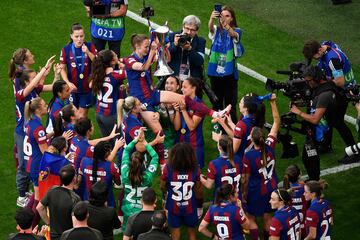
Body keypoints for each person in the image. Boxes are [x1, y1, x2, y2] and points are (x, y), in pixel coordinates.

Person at [290, 65, 356, 176]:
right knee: (309, 157)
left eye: (308, 80)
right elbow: (315, 102)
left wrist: (298, 112)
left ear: (316, 78)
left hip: (319, 129)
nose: (307, 83)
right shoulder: (325, 86)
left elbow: (315, 119)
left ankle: (314, 182)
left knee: (309, 157)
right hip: (325, 124)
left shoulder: (325, 95)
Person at [11, 55, 55, 207]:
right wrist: (43, 71)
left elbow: (47, 86)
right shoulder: (21, 95)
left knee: (29, 162)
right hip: (22, 133)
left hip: (28, 131)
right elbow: (34, 85)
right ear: (27, 81)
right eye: (34, 77)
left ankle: (31, 189)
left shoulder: (32, 93)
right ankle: (21, 196)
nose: (37, 78)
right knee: (24, 165)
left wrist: (51, 73)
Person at [303, 40, 356, 153]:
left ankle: (354, 150)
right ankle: (326, 145)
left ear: (319, 50)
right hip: (342, 88)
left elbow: (340, 81)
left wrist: (323, 81)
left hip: (343, 91)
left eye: (314, 57)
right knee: (329, 116)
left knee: (337, 121)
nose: (315, 59)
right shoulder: (326, 45)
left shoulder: (332, 59)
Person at [242, 94, 280, 240]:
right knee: (267, 217)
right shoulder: (270, 145)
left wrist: (244, 195)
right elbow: (276, 121)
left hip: (256, 190)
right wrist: (273, 103)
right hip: (272, 187)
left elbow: (245, 178)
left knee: (250, 218)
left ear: (252, 139)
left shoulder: (249, 155)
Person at [208, 5, 244, 122]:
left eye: (227, 16)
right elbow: (211, 29)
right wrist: (212, 19)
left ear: (232, 18)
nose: (223, 18)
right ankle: (218, 130)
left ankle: (233, 131)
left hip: (229, 74)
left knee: (230, 105)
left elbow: (233, 34)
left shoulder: (237, 31)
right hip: (215, 72)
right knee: (216, 103)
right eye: (221, 16)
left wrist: (226, 25)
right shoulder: (216, 30)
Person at [160, 143, 203, 240]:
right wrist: (199, 205)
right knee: (192, 233)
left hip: (173, 204)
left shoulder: (168, 168)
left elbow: (162, 185)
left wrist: (167, 191)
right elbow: (198, 189)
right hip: (190, 204)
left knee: (175, 234)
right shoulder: (195, 168)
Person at [120, 132, 159, 231]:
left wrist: (135, 139)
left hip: (128, 209)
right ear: (143, 163)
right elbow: (155, 157)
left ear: (130, 162)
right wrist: (144, 142)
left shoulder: (125, 173)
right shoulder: (148, 177)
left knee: (127, 232)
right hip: (143, 211)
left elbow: (126, 150)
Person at [60, 23, 97, 118]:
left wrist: (88, 52)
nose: (79, 39)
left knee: (82, 116)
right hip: (72, 89)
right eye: (76, 36)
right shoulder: (66, 49)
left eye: (81, 36)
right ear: (71, 36)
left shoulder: (90, 46)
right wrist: (68, 83)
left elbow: (97, 62)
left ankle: (82, 132)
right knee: (71, 115)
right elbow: (62, 69)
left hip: (86, 89)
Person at [37, 164, 81, 240]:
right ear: (74, 179)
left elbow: (39, 208)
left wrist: (48, 222)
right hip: (68, 237)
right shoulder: (75, 199)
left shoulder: (52, 190)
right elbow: (77, 224)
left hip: (53, 235)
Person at [91, 49, 126, 137]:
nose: (117, 56)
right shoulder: (117, 75)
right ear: (112, 61)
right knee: (119, 141)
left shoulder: (97, 74)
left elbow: (90, 85)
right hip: (111, 114)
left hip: (99, 113)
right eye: (115, 55)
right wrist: (122, 65)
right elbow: (131, 73)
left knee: (107, 141)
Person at [78, 139, 124, 206]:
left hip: (87, 199)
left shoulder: (84, 161)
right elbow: (118, 183)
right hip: (106, 201)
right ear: (107, 154)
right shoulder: (112, 167)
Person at [173, 77, 207, 168]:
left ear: (193, 88)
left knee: (195, 175)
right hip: (180, 142)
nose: (181, 89)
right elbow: (177, 127)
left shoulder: (201, 106)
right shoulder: (181, 101)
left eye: (184, 87)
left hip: (194, 145)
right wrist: (177, 111)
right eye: (181, 87)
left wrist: (183, 110)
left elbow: (192, 126)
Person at [200, 134, 242, 199]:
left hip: (221, 202)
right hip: (236, 199)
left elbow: (209, 185)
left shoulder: (214, 164)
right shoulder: (239, 159)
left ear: (219, 147)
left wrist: (200, 177)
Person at [168, 15, 206, 82]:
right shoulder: (173, 36)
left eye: (192, 30)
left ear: (197, 31)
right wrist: (174, 44)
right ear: (183, 27)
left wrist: (190, 49)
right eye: (187, 28)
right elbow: (164, 55)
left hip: (191, 80)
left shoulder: (200, 41)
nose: (189, 32)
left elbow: (200, 61)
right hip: (174, 79)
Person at [283, 164, 308, 238]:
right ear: (299, 174)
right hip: (304, 224)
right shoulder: (305, 188)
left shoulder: (284, 192)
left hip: (291, 225)